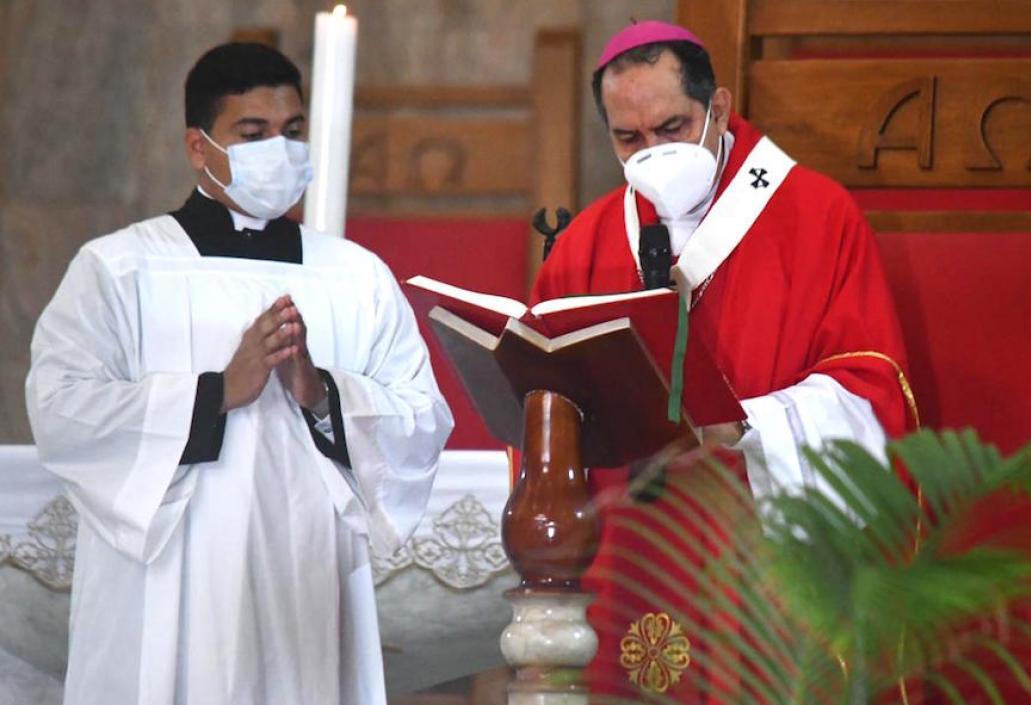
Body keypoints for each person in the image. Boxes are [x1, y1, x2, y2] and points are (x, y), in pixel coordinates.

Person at [25, 43, 453, 705]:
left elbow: (421, 413)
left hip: (304, 570)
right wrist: (217, 390)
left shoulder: (353, 274)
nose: (277, 151)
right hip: (174, 577)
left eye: (292, 132)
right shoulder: (122, 268)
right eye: (252, 134)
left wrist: (321, 393)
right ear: (199, 147)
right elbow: (62, 405)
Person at [530, 21, 916, 702]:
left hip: (769, 540)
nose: (653, 152)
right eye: (630, 138)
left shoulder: (817, 217)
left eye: (672, 127)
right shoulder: (586, 243)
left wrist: (749, 425)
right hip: (637, 548)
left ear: (719, 106)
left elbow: (873, 386)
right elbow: (541, 397)